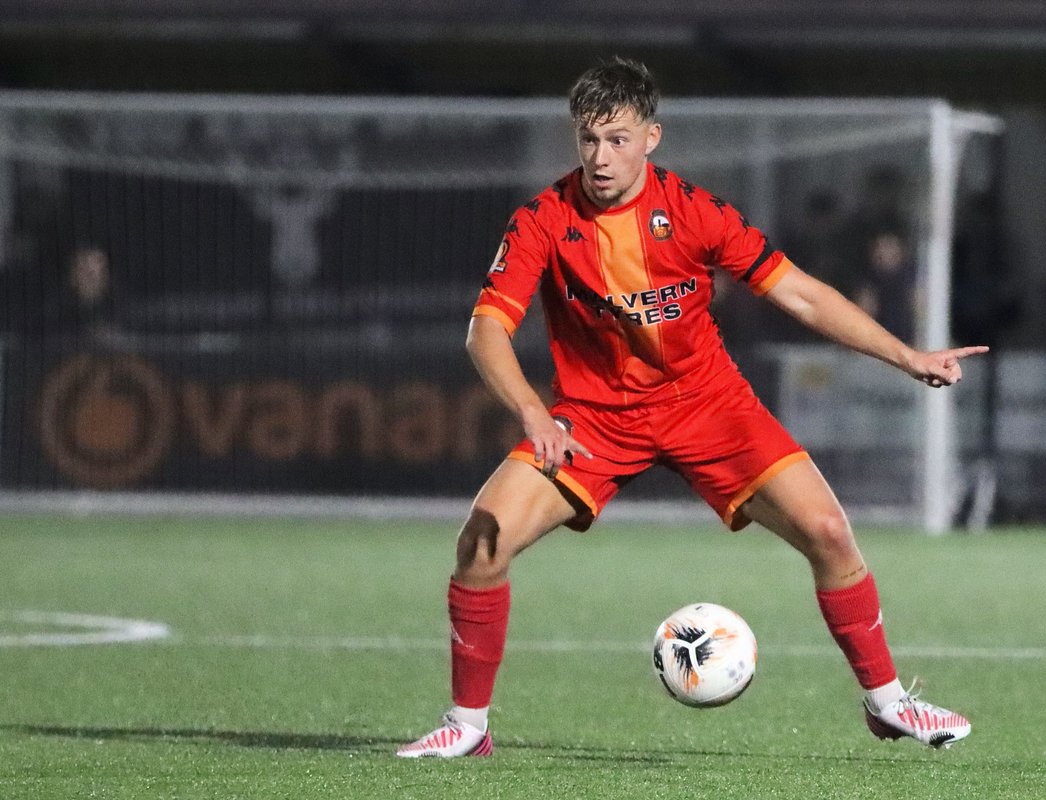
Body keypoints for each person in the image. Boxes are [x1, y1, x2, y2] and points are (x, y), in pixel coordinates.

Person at [398, 58, 987, 758]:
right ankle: (468, 727)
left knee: (829, 531)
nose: (599, 157)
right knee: (483, 541)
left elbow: (798, 293)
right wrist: (530, 410)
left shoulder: (694, 211)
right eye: (587, 140)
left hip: (706, 403)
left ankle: (890, 706)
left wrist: (908, 356)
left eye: (616, 139)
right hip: (594, 417)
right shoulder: (545, 219)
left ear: (652, 137)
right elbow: (485, 329)